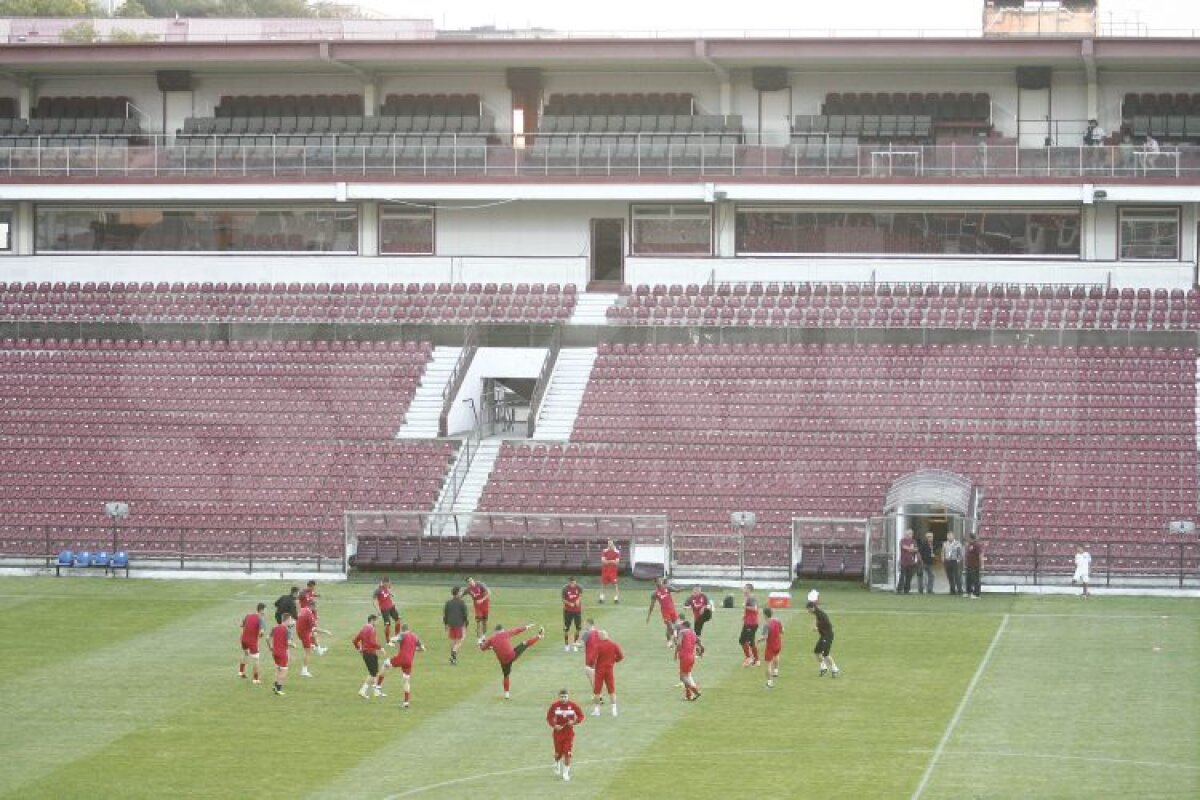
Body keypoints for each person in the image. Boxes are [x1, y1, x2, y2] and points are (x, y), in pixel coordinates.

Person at [479, 622, 545, 699]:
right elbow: (517, 630)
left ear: (495, 631)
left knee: (506, 676)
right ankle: (540, 636)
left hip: (503, 661)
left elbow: (482, 648)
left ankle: (507, 694)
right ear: (502, 630)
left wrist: (481, 643)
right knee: (525, 643)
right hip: (512, 655)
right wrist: (527, 626)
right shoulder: (505, 633)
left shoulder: (491, 639)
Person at [383, 623, 425, 708]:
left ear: (402, 630)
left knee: (385, 664)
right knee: (406, 680)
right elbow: (423, 649)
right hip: (409, 662)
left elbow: (395, 639)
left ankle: (377, 685)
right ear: (409, 629)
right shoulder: (415, 636)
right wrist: (414, 649)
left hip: (401, 658)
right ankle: (406, 702)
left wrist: (391, 640)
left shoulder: (403, 634)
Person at [546, 688, 585, 782]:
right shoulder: (554, 706)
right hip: (557, 733)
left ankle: (566, 773)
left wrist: (575, 722)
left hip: (569, 733)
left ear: (568, 696)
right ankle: (557, 762)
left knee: (567, 753)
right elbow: (549, 717)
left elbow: (581, 716)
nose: (563, 698)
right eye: (562, 697)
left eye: (565, 697)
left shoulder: (573, 705)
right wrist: (554, 726)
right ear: (559, 697)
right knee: (558, 753)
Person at [352, 613, 389, 699]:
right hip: (370, 653)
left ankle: (375, 692)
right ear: (372, 620)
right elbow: (372, 642)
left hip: (366, 654)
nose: (377, 623)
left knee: (374, 673)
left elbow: (355, 640)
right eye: (376, 621)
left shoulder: (364, 628)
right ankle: (363, 690)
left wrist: (359, 649)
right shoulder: (371, 629)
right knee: (373, 674)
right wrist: (381, 648)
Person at [590, 629, 623, 717]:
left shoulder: (598, 645)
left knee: (597, 691)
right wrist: (614, 660)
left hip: (599, 670)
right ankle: (614, 710)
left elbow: (592, 659)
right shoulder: (613, 644)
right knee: (611, 690)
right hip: (609, 670)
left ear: (600, 636)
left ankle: (597, 710)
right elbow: (621, 656)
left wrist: (591, 664)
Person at [296, 602, 331, 678]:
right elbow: (314, 629)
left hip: (300, 631)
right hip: (304, 633)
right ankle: (304, 670)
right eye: (315, 607)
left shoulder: (303, 609)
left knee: (313, 636)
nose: (315, 609)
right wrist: (325, 631)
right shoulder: (309, 614)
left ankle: (318, 649)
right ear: (312, 606)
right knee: (308, 652)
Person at [807, 600, 840, 678]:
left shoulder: (821, 614)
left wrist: (817, 627)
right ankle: (825, 667)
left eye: (808, 609)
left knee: (824, 654)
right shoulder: (817, 613)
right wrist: (815, 624)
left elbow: (828, 624)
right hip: (824, 635)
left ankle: (833, 668)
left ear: (812, 608)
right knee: (818, 652)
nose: (808, 611)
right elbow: (816, 619)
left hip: (827, 636)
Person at [645, 577, 681, 645]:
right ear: (655, 583)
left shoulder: (667, 587)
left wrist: (679, 590)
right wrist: (648, 616)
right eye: (658, 581)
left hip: (672, 610)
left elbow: (676, 590)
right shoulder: (655, 593)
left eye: (661, 581)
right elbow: (651, 606)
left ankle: (670, 640)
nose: (660, 582)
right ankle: (673, 639)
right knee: (670, 627)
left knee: (676, 626)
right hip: (665, 612)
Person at [674, 619, 703, 701]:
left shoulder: (682, 632)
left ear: (684, 626)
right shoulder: (693, 633)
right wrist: (700, 653)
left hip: (684, 657)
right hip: (692, 657)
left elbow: (679, 644)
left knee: (683, 677)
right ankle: (688, 695)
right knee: (686, 675)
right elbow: (701, 645)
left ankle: (696, 690)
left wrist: (675, 653)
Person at [238, 602, 266, 684]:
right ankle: (255, 679)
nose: (265, 612)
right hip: (252, 642)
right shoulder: (261, 619)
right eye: (265, 610)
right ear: (261, 610)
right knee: (256, 659)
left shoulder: (248, 615)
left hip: (243, 639)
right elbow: (261, 632)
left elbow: (241, 625)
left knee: (245, 654)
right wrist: (260, 635)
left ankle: (241, 672)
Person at [442, 585, 470, 665]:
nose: (461, 592)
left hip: (450, 623)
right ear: (457, 593)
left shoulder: (448, 602)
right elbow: (465, 614)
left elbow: (445, 614)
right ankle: (454, 653)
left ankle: (453, 659)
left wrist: (446, 624)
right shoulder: (462, 603)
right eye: (460, 591)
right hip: (459, 624)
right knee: (460, 640)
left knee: (453, 640)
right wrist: (466, 623)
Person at [269, 613, 295, 696]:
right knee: (284, 671)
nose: (291, 621)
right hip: (282, 653)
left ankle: (274, 685)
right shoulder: (287, 630)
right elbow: (288, 643)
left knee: (278, 669)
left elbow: (267, 638)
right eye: (290, 620)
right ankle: (278, 689)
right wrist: (293, 645)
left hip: (275, 652)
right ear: (287, 620)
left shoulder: (275, 627)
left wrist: (270, 647)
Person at [760, 606, 784, 688]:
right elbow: (782, 631)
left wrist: (759, 640)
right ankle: (776, 671)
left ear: (765, 615)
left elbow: (765, 637)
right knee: (777, 655)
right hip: (778, 644)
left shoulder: (766, 625)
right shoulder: (777, 621)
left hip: (770, 646)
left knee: (768, 665)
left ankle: (769, 683)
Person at [739, 583, 760, 667]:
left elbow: (755, 608)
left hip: (751, 623)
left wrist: (745, 607)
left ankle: (753, 659)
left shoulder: (751, 597)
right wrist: (745, 615)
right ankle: (751, 658)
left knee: (748, 641)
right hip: (748, 622)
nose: (743, 590)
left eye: (745, 588)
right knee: (743, 640)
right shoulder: (748, 597)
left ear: (749, 590)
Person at [373, 576, 401, 642]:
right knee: (387, 625)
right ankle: (388, 641)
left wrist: (391, 594)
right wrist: (378, 610)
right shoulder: (378, 590)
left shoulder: (386, 587)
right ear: (384, 583)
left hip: (391, 607)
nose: (389, 584)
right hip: (384, 609)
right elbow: (374, 601)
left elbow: (388, 589)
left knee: (398, 620)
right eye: (388, 583)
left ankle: (396, 637)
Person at [561, 576, 584, 652]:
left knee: (578, 628)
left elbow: (580, 594)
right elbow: (563, 599)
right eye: (572, 583)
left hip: (577, 611)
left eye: (574, 582)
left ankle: (575, 644)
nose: (573, 584)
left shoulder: (579, 587)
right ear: (569, 582)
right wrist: (569, 603)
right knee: (566, 629)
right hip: (568, 611)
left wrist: (578, 600)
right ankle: (566, 645)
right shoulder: (565, 589)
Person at [598, 539, 621, 604]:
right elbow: (603, 561)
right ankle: (601, 598)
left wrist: (608, 561)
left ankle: (616, 599)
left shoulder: (617, 552)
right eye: (608, 543)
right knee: (603, 585)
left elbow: (617, 562)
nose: (609, 544)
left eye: (610, 543)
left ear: (613, 544)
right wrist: (612, 561)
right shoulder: (604, 551)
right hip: (605, 571)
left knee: (615, 585)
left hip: (613, 571)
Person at [942, 532, 964, 596]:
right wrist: (943, 558)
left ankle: (960, 590)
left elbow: (960, 553)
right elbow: (943, 551)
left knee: (957, 576)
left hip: (954, 561)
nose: (949, 537)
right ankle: (952, 590)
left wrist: (958, 560)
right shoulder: (945, 543)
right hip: (947, 561)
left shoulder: (957, 543)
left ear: (953, 536)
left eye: (950, 536)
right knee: (950, 577)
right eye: (948, 536)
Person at [898, 529, 919, 594]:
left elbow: (916, 549)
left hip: (911, 562)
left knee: (909, 577)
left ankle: (906, 590)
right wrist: (911, 549)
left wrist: (910, 549)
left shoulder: (914, 541)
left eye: (910, 533)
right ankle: (899, 590)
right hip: (903, 562)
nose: (908, 535)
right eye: (907, 534)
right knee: (902, 576)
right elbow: (904, 547)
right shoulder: (902, 540)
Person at [581, 617, 600, 689]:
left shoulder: (586, 633)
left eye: (585, 624)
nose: (584, 626)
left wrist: (574, 644)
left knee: (590, 674)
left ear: (589, 624)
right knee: (595, 673)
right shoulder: (598, 632)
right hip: (597, 656)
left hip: (589, 657)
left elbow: (581, 645)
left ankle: (596, 691)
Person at [965, 534, 985, 598]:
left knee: (976, 580)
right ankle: (969, 592)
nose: (968, 539)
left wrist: (982, 564)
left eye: (969, 538)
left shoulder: (977, 545)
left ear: (971, 538)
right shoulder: (969, 545)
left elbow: (980, 555)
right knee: (968, 579)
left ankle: (976, 594)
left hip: (975, 565)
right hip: (969, 565)